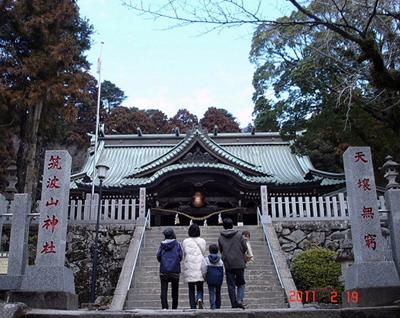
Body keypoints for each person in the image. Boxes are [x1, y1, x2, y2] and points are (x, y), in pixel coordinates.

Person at [218, 218, 247, 309]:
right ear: (232, 225)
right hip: (239, 263)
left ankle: (233, 303)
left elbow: (221, 250)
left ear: (224, 226)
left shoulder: (220, 237)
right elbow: (245, 248)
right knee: (241, 283)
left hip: (228, 263)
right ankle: (239, 300)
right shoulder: (239, 235)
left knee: (231, 285)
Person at [156, 228, 183, 309]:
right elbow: (181, 256)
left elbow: (158, 256)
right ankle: (174, 307)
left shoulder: (162, 245)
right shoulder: (178, 244)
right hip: (175, 270)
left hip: (164, 270)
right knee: (175, 290)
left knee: (163, 290)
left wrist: (163, 262)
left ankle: (164, 307)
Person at [182, 223, 206, 309]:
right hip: (199, 266)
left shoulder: (185, 241)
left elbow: (184, 253)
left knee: (191, 289)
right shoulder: (202, 241)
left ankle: (192, 306)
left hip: (190, 266)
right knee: (200, 286)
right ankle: (199, 298)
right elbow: (203, 252)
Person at [201, 244, 224, 309]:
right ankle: (218, 306)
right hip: (218, 279)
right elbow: (223, 270)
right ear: (217, 251)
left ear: (209, 250)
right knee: (218, 292)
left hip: (210, 278)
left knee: (211, 292)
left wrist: (205, 277)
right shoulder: (220, 260)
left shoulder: (206, 259)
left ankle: (213, 306)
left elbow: (204, 269)